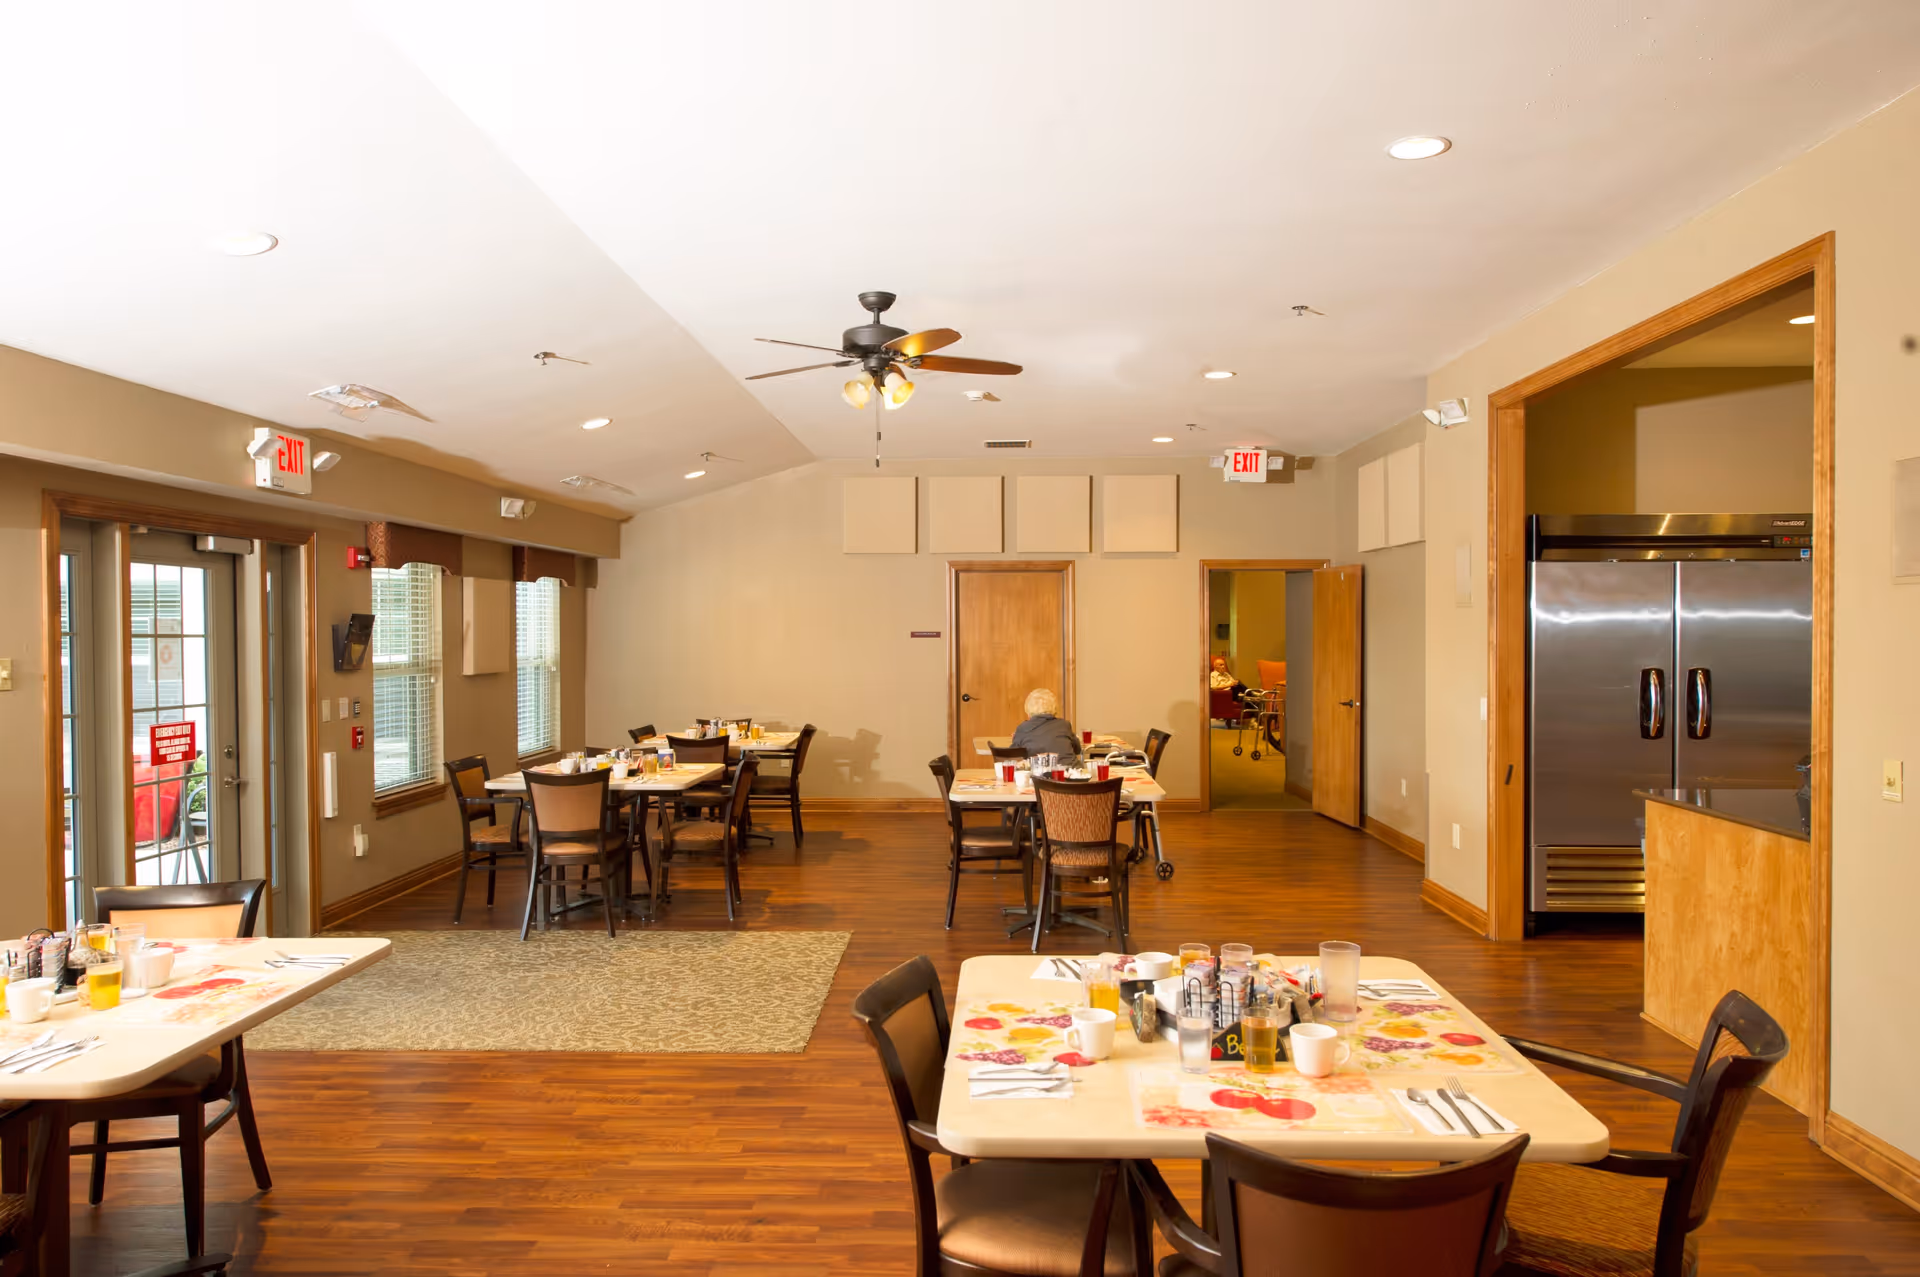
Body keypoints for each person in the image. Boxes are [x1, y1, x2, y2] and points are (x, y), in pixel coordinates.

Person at [1009, 688, 1081, 758]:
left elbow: (1012, 754)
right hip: (1069, 768)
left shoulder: (1023, 728)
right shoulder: (1064, 725)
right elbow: (1077, 750)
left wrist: (1016, 739)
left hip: (1039, 769)